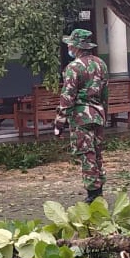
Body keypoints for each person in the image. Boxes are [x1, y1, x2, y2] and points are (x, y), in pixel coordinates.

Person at [54, 28, 108, 203]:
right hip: (98, 113)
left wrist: (59, 122)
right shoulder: (101, 64)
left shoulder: (73, 68)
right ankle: (99, 189)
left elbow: (67, 96)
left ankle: (93, 194)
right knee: (97, 152)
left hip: (81, 116)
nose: (68, 46)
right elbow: (105, 92)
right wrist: (103, 112)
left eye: (70, 43)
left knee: (87, 154)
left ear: (76, 46)